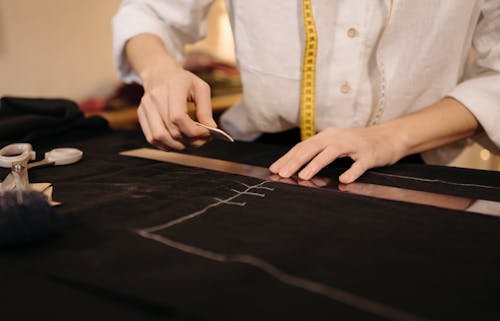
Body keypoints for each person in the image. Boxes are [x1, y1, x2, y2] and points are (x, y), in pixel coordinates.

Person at [112, 0, 500, 183]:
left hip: (410, 166)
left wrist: (389, 137)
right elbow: (149, 11)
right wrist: (159, 71)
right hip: (259, 153)